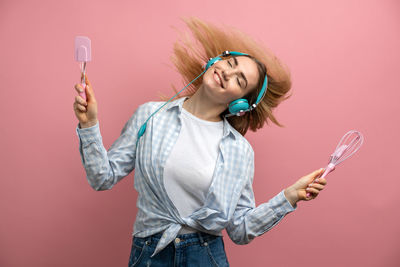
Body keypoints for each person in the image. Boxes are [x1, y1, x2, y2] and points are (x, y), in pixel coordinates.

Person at [73, 17, 327, 267]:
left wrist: (290, 197)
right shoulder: (150, 116)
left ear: (240, 104)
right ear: (216, 60)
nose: (227, 72)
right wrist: (89, 124)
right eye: (230, 63)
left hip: (204, 256)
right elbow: (102, 177)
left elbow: (240, 230)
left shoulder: (239, 151)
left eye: (239, 80)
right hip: (149, 254)